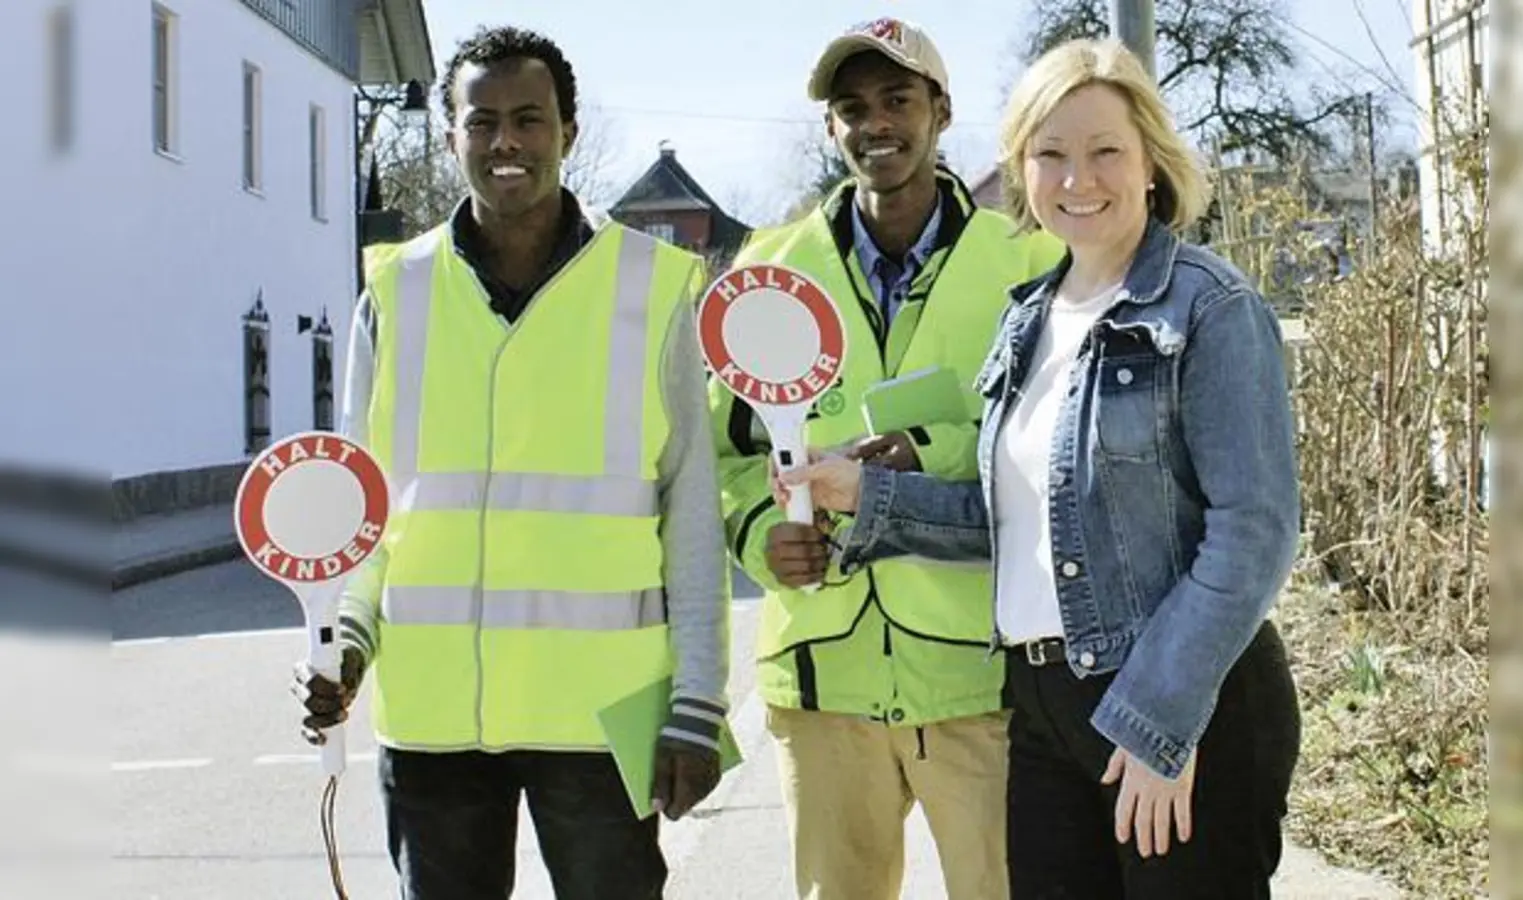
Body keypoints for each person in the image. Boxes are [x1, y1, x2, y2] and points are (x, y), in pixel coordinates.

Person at [778, 36, 1303, 900]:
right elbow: (1016, 522)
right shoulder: (1029, 318)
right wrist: (863, 496)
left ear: (1151, 164)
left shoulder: (1209, 306)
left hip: (1179, 699)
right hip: (1042, 707)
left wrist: (1161, 721)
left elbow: (1255, 533)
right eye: (1049, 154)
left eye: (1105, 152)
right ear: (1021, 168)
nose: (1077, 178)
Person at [292, 25, 729, 900]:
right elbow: (359, 511)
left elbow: (691, 510)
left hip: (603, 718)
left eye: (528, 119)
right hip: (432, 718)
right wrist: (343, 644)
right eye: (480, 120)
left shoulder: (651, 289)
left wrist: (700, 705)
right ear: (451, 134)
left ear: (567, 130)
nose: (505, 143)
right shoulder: (394, 293)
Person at [708, 17, 1062, 900]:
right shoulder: (767, 271)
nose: (876, 123)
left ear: (940, 112)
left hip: (981, 678)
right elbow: (727, 457)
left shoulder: (1030, 260)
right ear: (832, 127)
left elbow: (1063, 443)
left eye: (898, 100)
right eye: (852, 106)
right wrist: (761, 537)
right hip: (825, 684)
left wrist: (926, 452)